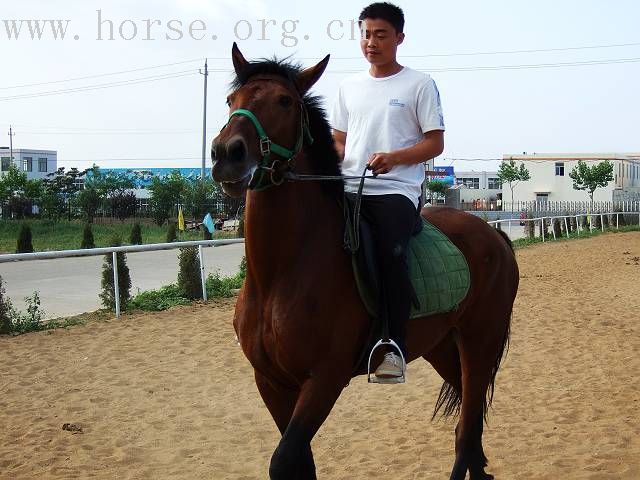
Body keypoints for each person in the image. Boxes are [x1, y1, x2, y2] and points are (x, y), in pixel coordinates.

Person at [330, 2, 445, 379]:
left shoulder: (419, 84)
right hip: (349, 187)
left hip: (396, 190)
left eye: (380, 35)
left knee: (391, 254)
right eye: (365, 34)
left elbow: (434, 144)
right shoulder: (348, 87)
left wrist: (394, 158)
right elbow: (341, 142)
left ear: (399, 38)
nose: (371, 42)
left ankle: (392, 345)